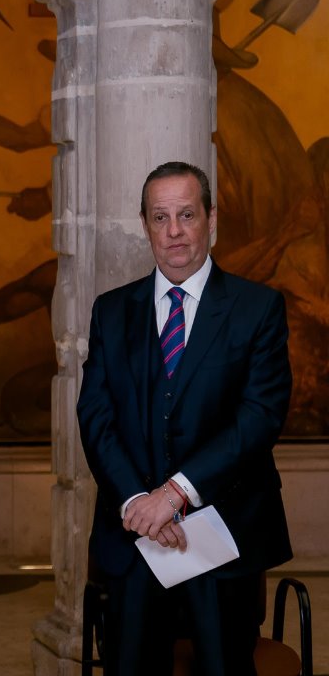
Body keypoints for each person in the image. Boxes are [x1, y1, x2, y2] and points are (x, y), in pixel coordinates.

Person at [77, 162, 292, 675]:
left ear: (210, 219)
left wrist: (174, 496)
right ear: (145, 224)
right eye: (160, 217)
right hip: (134, 540)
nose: (174, 232)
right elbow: (96, 414)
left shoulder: (257, 308)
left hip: (222, 537)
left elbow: (259, 417)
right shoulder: (111, 311)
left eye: (187, 215)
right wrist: (138, 503)